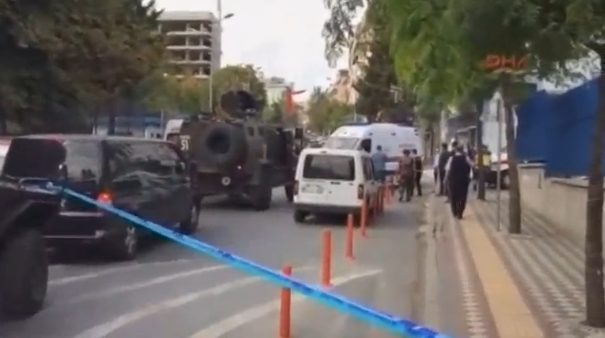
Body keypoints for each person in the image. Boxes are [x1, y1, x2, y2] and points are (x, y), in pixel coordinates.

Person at [445, 145, 473, 219]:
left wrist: (445, 179)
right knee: (462, 197)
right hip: (463, 180)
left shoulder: (451, 158)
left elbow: (447, 169)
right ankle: (460, 212)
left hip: (453, 180)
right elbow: (472, 165)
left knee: (453, 196)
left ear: (456, 151)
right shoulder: (466, 158)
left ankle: (454, 211)